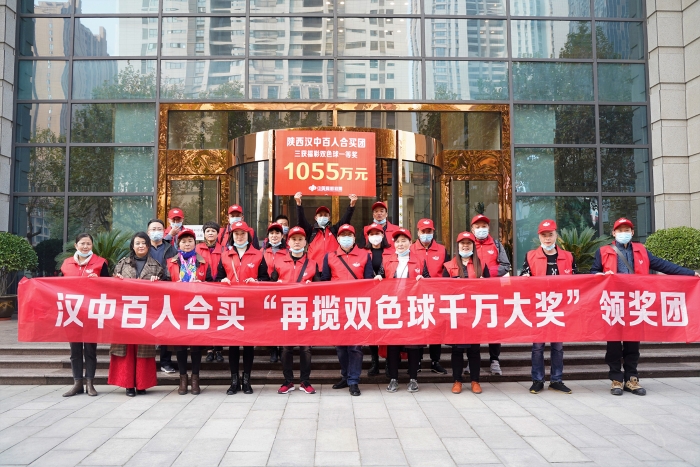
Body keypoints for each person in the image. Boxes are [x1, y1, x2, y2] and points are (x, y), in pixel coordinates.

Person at [591, 217, 700, 396]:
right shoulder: (603, 251)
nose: (623, 233)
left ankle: (632, 379)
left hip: (636, 302)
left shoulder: (641, 251)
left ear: (632, 232)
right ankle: (616, 379)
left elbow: (663, 265)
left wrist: (689, 273)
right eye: (620, 230)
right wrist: (601, 274)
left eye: (627, 230)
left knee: (633, 343)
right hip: (614, 302)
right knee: (613, 344)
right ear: (614, 233)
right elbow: (593, 272)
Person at [520, 220, 575, 395]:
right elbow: (523, 277)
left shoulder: (568, 256)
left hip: (560, 307)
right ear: (539, 237)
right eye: (544, 235)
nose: (547, 238)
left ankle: (556, 380)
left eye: (550, 234)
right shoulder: (531, 256)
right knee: (538, 347)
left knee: (557, 346)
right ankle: (537, 380)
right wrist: (525, 278)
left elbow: (577, 280)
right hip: (539, 307)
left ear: (556, 235)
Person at [216, 221, 270, 395]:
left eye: (243, 234)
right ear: (232, 236)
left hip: (251, 306)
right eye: (236, 234)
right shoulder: (225, 255)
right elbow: (217, 278)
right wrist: (222, 280)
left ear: (249, 235)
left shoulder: (258, 255)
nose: (239, 237)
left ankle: (246, 380)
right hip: (231, 306)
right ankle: (234, 381)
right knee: (232, 345)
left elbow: (266, 278)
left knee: (248, 345)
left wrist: (257, 281)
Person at [321, 224, 374, 396]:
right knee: (340, 346)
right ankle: (345, 376)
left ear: (354, 237)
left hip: (357, 307)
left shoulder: (365, 255)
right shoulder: (329, 257)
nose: (346, 238)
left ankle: (354, 380)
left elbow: (369, 280)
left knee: (355, 347)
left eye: (349, 235)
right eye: (343, 235)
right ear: (337, 238)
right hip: (337, 307)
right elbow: (324, 281)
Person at [109, 232, 163, 396]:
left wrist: (158, 282)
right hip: (124, 312)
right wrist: (116, 279)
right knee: (126, 348)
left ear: (148, 245)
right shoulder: (122, 263)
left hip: (146, 313)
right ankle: (128, 384)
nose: (141, 246)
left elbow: (164, 290)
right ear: (132, 246)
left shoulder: (156, 266)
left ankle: (142, 384)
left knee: (143, 349)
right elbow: (111, 287)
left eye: (143, 243)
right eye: (137, 243)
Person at [379, 228, 429, 393]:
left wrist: (423, 279)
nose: (400, 244)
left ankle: (413, 379)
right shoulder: (387, 260)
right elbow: (380, 276)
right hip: (393, 307)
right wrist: (378, 278)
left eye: (404, 241)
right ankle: (393, 379)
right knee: (393, 345)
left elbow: (428, 280)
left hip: (412, 307)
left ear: (410, 242)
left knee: (413, 345)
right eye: (397, 241)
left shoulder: (419, 260)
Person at [59, 233, 109, 397]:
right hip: (72, 312)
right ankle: (77, 383)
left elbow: (109, 286)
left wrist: (99, 280)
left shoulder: (101, 263)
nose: (85, 246)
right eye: (82, 243)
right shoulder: (66, 264)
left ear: (92, 245)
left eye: (88, 243)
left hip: (91, 312)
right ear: (76, 246)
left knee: (90, 349)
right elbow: (58, 286)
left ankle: (90, 383)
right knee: (75, 350)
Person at [443, 232, 490, 395]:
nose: (465, 246)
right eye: (462, 243)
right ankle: (457, 380)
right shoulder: (448, 266)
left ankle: (475, 380)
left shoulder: (481, 265)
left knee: (474, 350)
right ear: (457, 246)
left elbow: (491, 288)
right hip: (456, 313)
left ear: (473, 246)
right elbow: (441, 289)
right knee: (457, 350)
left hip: (474, 312)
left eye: (468, 243)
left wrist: (484, 284)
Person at [168, 228, 213, 395]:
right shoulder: (171, 262)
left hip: (197, 308)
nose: (187, 244)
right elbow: (164, 284)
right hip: (177, 308)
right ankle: (182, 378)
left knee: (195, 346)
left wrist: (202, 284)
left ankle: (195, 378)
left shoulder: (203, 262)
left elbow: (212, 283)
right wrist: (174, 285)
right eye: (183, 241)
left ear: (195, 243)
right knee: (180, 346)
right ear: (178, 244)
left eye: (190, 241)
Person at [277, 226, 321, 394]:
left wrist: (313, 285)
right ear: (288, 242)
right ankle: (288, 381)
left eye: (300, 239)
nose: (297, 242)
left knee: (306, 348)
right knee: (286, 348)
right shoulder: (279, 262)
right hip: (285, 310)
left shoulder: (313, 264)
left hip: (306, 311)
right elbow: (269, 284)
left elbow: (320, 287)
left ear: (305, 243)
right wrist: (276, 285)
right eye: (293, 239)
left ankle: (305, 381)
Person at [471, 214, 511, 376]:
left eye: (484, 226)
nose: (481, 229)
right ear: (472, 229)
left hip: (493, 292)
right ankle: (472, 360)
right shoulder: (468, 244)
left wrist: (487, 273)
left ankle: (494, 360)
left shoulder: (496, 244)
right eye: (478, 227)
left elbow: (506, 265)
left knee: (494, 326)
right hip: (473, 294)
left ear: (488, 228)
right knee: (473, 325)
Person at [410, 218, 450, 375]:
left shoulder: (442, 250)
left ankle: (435, 361)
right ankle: (418, 360)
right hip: (416, 295)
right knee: (418, 327)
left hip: (437, 294)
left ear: (433, 232)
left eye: (429, 231)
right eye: (423, 231)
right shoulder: (411, 249)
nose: (426, 234)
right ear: (418, 232)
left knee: (435, 328)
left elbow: (447, 271)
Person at [146, 218, 178, 374]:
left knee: (166, 327)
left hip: (166, 292)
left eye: (159, 229)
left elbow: (176, 269)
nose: (156, 232)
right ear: (148, 232)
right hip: (147, 293)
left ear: (164, 231)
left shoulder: (171, 249)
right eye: (153, 229)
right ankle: (147, 363)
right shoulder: (142, 247)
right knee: (147, 327)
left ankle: (166, 362)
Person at [363, 223, 394, 377]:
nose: (375, 236)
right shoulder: (362, 253)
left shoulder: (391, 252)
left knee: (387, 328)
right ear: (368, 237)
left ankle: (389, 362)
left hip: (388, 294)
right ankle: (374, 362)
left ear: (383, 235)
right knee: (372, 329)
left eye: (378, 233)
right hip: (370, 295)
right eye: (372, 234)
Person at [295, 191, 358, 265]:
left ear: (329, 218)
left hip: (333, 266)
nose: (323, 217)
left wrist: (351, 205)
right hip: (315, 268)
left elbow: (345, 220)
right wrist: (298, 204)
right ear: (316, 218)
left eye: (325, 215)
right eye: (320, 215)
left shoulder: (334, 230)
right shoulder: (311, 231)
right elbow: (301, 221)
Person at [197, 221, 225, 364]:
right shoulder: (197, 248)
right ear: (204, 233)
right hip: (204, 287)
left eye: (213, 231)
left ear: (218, 233)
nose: (210, 233)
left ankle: (218, 349)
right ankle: (209, 349)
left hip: (220, 287)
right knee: (208, 318)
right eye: (208, 231)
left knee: (218, 318)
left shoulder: (224, 249)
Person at [263, 222, 287, 362]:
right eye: (271, 233)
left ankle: (282, 347)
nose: (274, 236)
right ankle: (272, 348)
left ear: (282, 235)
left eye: (277, 233)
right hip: (267, 292)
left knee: (282, 320)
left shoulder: (288, 252)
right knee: (270, 321)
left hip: (283, 291)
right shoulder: (262, 252)